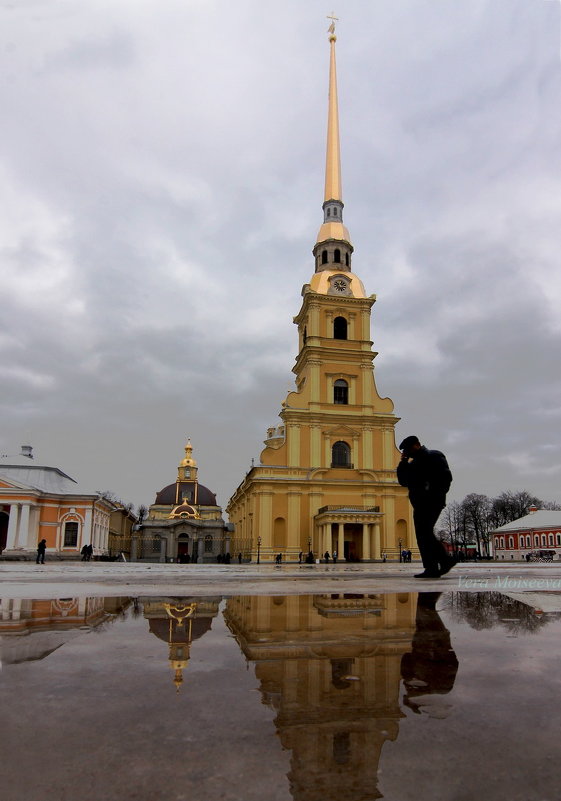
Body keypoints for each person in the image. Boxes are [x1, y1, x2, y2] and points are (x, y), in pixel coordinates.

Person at [397, 435, 455, 579]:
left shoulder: (434, 456)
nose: (406, 453)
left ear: (416, 445)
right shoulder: (412, 463)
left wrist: (435, 495)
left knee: (424, 532)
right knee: (422, 535)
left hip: (432, 502)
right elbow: (403, 481)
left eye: (407, 450)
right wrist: (403, 462)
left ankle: (443, 561)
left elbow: (445, 478)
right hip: (419, 504)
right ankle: (432, 567)